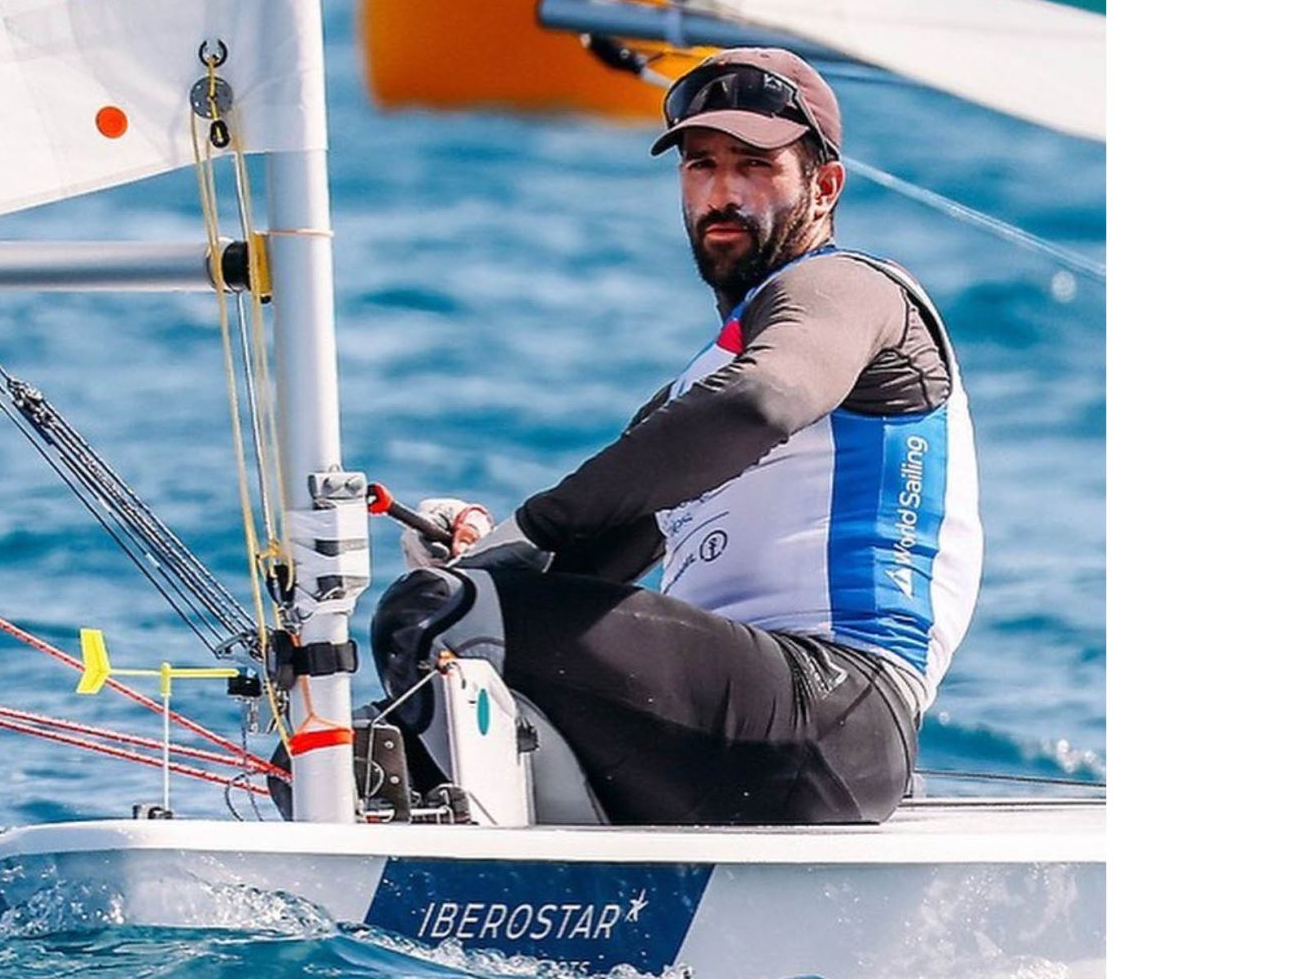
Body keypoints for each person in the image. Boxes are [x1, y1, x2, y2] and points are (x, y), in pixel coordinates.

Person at [369, 47, 983, 826]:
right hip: (736, 726)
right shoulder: (700, 388)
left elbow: (759, 404)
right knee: (400, 695)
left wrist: (527, 536)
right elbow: (580, 572)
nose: (722, 193)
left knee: (437, 618)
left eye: (755, 167)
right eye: (700, 167)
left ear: (824, 187)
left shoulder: (847, 290)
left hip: (833, 712)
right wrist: (488, 551)